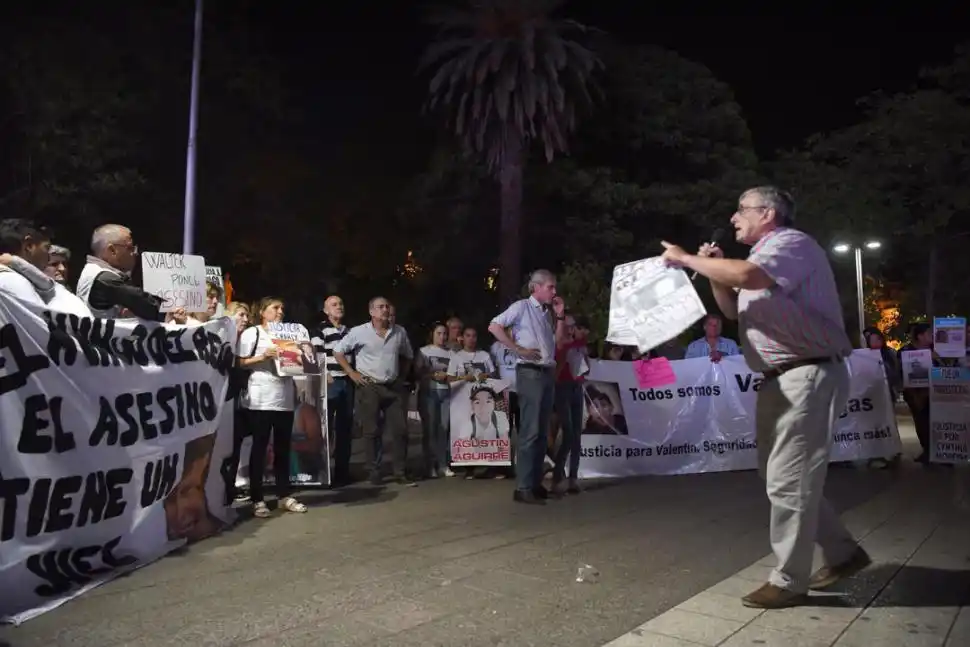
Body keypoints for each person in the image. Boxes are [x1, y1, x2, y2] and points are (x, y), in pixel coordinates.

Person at [660, 186, 869, 609]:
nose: (734, 217)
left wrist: (685, 258)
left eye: (742, 209)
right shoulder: (758, 260)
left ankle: (790, 580)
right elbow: (734, 308)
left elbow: (746, 278)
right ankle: (844, 553)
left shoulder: (791, 244)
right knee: (782, 475)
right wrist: (717, 270)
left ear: (768, 213)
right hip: (781, 377)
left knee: (788, 477)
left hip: (806, 372)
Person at [488, 269, 568, 505]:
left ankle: (534, 483)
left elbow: (559, 342)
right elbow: (494, 326)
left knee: (543, 432)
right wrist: (517, 349)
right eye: (550, 287)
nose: (554, 291)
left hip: (546, 371)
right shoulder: (522, 306)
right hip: (530, 372)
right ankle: (523, 487)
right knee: (531, 430)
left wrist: (560, 316)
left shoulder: (546, 313)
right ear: (537, 287)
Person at [236, 297, 307, 517]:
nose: (280, 312)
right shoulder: (252, 333)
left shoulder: (290, 333)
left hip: (284, 397)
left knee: (283, 449)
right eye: (275, 308)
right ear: (262, 312)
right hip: (260, 398)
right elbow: (240, 362)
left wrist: (303, 355)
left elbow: (302, 362)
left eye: (282, 308)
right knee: (259, 448)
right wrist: (263, 356)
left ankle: (284, 495)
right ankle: (258, 499)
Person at [333, 296, 415, 487]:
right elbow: (338, 351)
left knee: (400, 430)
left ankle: (400, 472)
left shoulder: (399, 332)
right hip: (369, 385)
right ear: (371, 312)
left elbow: (408, 355)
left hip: (392, 386)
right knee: (371, 431)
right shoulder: (359, 332)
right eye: (380, 307)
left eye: (387, 306)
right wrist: (351, 372)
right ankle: (374, 471)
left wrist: (402, 377)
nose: (385, 309)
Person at [76, 224, 185, 323]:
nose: (135, 252)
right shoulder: (105, 279)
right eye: (130, 248)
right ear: (112, 250)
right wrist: (169, 311)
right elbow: (144, 303)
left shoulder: (93, 272)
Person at [310, 295, 354, 486]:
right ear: (326, 310)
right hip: (330, 382)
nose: (339, 307)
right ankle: (323, 472)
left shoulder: (349, 331)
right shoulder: (319, 330)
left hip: (348, 382)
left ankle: (342, 473)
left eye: (341, 303)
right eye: (334, 305)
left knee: (345, 428)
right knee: (325, 428)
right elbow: (316, 354)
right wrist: (325, 374)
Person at [417, 323, 454, 478]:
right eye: (439, 333)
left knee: (444, 428)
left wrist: (447, 376)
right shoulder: (424, 351)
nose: (442, 336)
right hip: (429, 392)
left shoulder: (452, 353)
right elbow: (418, 371)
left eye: (445, 333)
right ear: (432, 334)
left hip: (447, 393)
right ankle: (430, 465)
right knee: (430, 430)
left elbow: (456, 373)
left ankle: (443, 464)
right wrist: (432, 375)